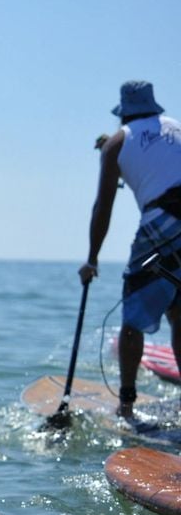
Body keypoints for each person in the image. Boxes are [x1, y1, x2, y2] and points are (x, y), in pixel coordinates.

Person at [79, 81, 181, 419]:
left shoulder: (117, 143)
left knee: (132, 320)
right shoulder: (176, 128)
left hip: (161, 228)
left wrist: (92, 259)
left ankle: (126, 404)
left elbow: (102, 208)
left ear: (124, 110)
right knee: (179, 313)